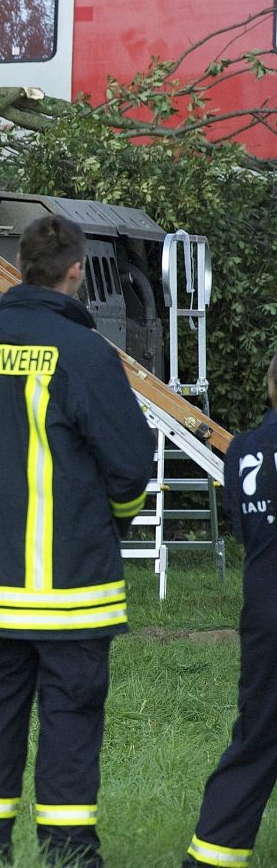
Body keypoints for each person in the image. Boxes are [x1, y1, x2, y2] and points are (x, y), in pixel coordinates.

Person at [0, 215, 152, 868]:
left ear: (21, 264)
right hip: (74, 590)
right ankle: (69, 851)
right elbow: (131, 468)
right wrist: (111, 519)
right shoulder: (85, 354)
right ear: (76, 270)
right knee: (71, 725)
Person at [181, 351, 277, 868]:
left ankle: (213, 853)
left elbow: (243, 528)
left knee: (258, 733)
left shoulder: (244, 450)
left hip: (266, 609)